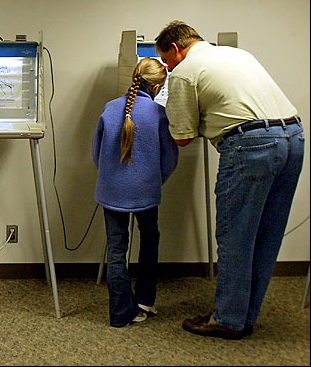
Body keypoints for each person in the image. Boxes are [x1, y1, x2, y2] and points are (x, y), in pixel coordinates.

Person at [155, 20, 304, 340]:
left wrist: (165, 106)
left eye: (166, 60)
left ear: (177, 50)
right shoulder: (238, 54)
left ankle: (227, 319)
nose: (167, 68)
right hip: (293, 138)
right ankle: (245, 315)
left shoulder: (183, 72)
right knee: (267, 235)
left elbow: (183, 138)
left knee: (236, 236)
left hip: (250, 146)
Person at [92, 57, 179, 328]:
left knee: (117, 251)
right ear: (155, 87)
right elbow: (170, 159)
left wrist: (112, 178)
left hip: (112, 192)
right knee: (150, 240)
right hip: (146, 193)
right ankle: (144, 302)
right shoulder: (158, 114)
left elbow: (96, 154)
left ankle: (120, 314)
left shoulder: (110, 108)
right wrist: (154, 180)